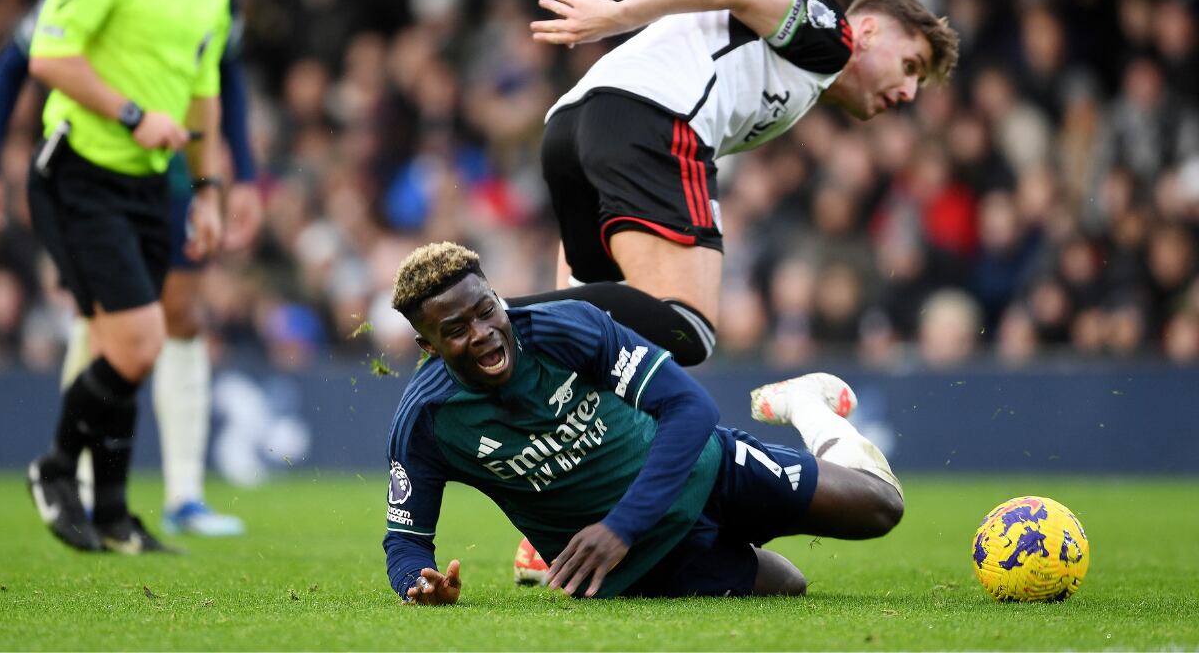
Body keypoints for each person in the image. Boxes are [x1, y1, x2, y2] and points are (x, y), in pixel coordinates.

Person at [383, 242, 903, 602]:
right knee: (789, 584)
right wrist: (417, 583)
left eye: (486, 308)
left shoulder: (565, 329)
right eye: (456, 329)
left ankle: (806, 406)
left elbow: (692, 407)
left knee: (880, 508)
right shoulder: (427, 421)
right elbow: (406, 540)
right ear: (427, 346)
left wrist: (619, 526)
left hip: (705, 472)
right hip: (638, 565)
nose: (483, 333)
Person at [509, 0, 959, 366]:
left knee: (589, 338)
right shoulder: (831, 37)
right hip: (648, 118)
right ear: (869, 33)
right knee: (689, 328)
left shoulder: (801, 74)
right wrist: (618, 15)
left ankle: (484, 332)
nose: (908, 93)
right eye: (910, 65)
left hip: (570, 128)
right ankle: (488, 314)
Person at [0, 0, 261, 537]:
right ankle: (70, 475)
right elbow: (19, 59)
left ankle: (181, 494)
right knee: (110, 324)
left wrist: (234, 179)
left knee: (176, 318)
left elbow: (223, 75)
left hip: (171, 173)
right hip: (92, 168)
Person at [21, 0, 232, 553]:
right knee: (139, 343)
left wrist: (209, 188)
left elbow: (204, 92)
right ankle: (55, 467)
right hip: (79, 170)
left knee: (124, 348)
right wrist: (133, 115)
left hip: (147, 183)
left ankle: (112, 516)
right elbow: (48, 57)